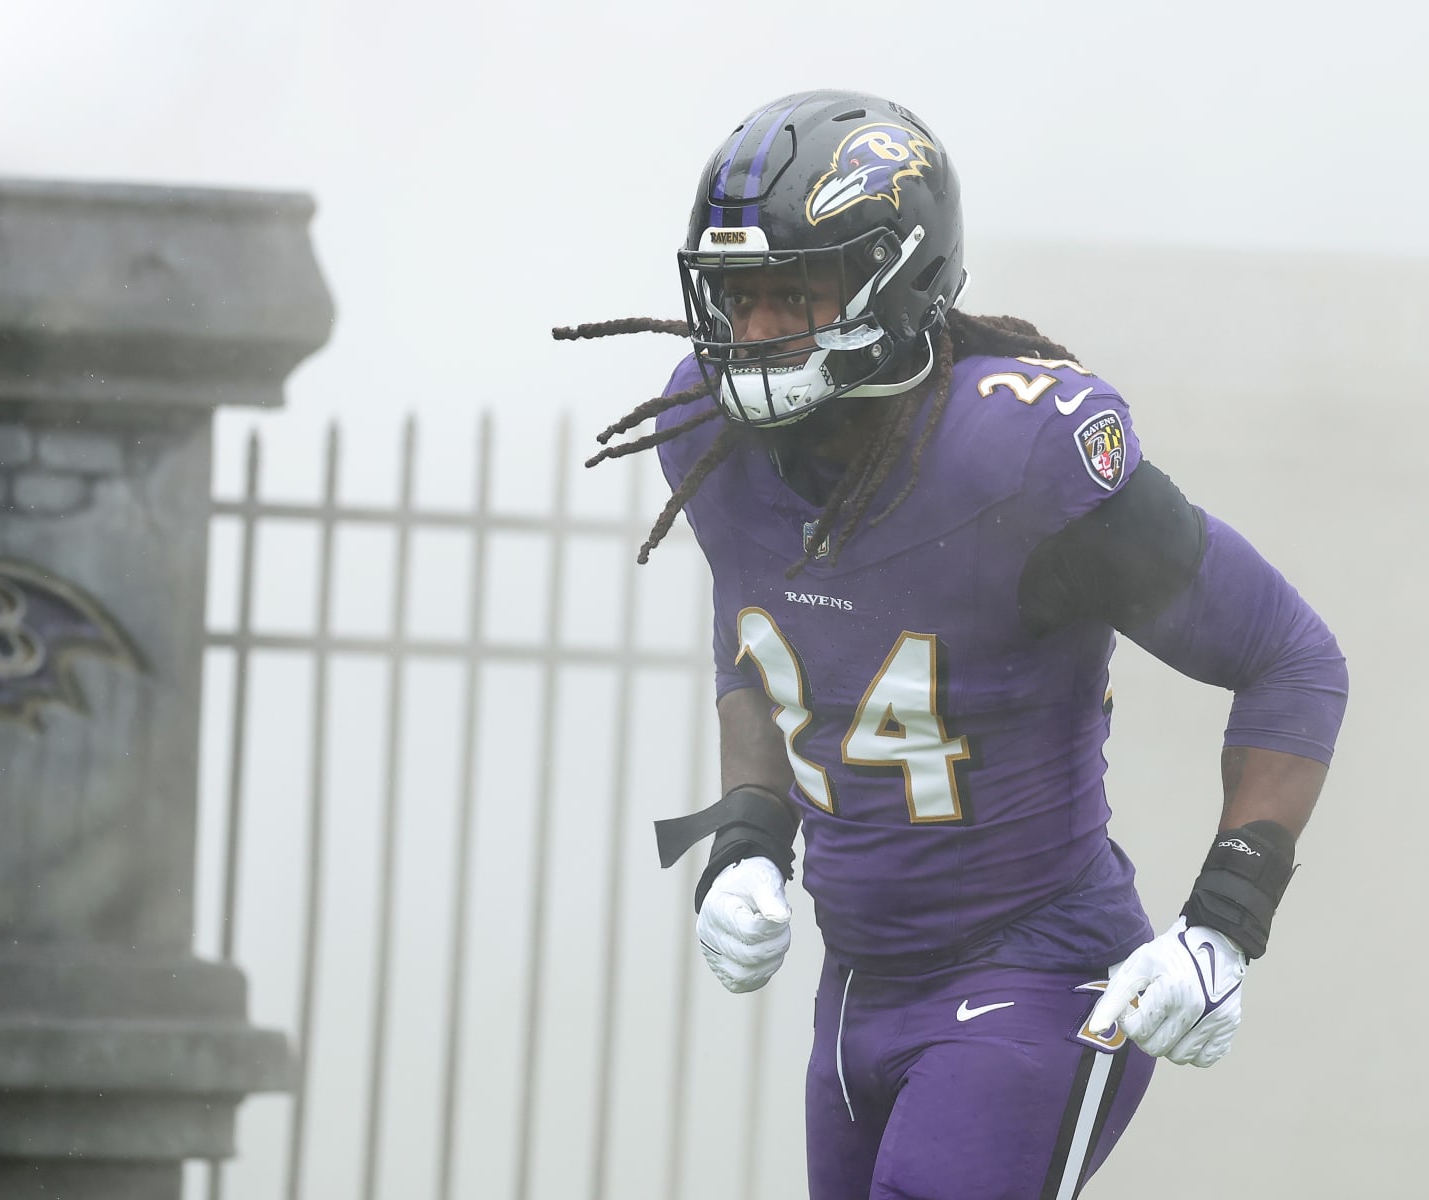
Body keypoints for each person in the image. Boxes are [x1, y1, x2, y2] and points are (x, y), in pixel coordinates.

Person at [555, 89, 1348, 1199]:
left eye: (795, 292)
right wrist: (749, 831)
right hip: (856, 992)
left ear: (899, 282)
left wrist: (1226, 921)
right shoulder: (710, 432)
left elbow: (1291, 657)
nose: (756, 331)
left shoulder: (1018, 455)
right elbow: (760, 647)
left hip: (1035, 973)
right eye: (738, 296)